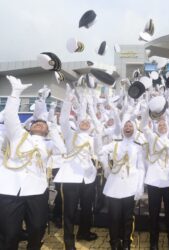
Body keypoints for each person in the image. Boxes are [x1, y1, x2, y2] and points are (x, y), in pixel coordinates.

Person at [0, 76, 66, 250]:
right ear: (29, 127)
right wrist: (16, 92)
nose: (39, 124)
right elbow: (10, 116)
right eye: (36, 123)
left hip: (36, 190)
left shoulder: (49, 144)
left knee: (37, 228)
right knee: (9, 233)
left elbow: (63, 150)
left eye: (42, 124)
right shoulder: (18, 136)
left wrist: (51, 126)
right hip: (9, 190)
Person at [55, 85, 98, 250]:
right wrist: (68, 99)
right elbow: (64, 119)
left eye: (88, 121)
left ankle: (84, 232)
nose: (85, 123)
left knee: (88, 209)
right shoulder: (70, 134)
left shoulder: (94, 138)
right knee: (69, 212)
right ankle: (68, 242)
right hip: (70, 178)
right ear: (78, 123)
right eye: (83, 121)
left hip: (88, 177)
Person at [98, 116, 145, 250]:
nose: (128, 128)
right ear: (122, 129)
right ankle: (114, 242)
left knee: (128, 218)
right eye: (126, 126)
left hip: (130, 185)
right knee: (113, 217)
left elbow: (141, 167)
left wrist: (140, 187)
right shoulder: (115, 143)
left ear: (134, 129)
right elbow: (100, 152)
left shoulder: (138, 147)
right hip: (114, 186)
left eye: (130, 126)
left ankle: (126, 243)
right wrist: (106, 167)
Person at [139, 104, 169, 250]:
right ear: (156, 127)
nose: (162, 126)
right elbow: (144, 126)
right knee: (153, 213)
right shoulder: (152, 138)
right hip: (154, 180)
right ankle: (153, 242)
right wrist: (146, 111)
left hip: (168, 181)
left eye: (164, 124)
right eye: (160, 124)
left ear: (168, 127)